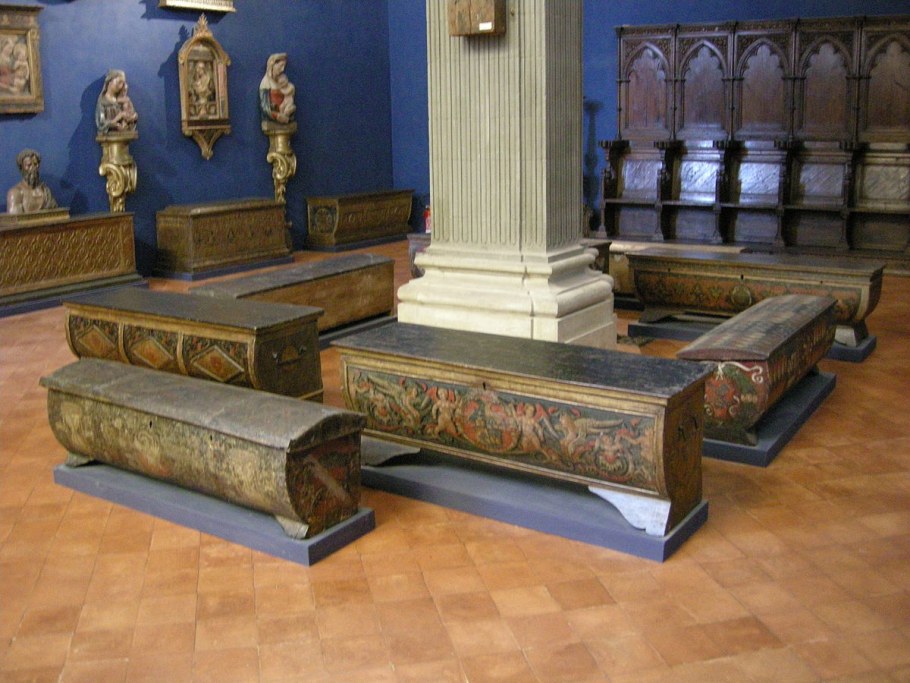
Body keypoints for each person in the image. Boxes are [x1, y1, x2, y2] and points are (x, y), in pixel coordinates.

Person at [6, 149, 58, 214]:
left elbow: (55, 215)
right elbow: (15, 218)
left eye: (35, 164)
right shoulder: (15, 193)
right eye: (29, 165)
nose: (33, 168)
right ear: (21, 168)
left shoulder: (45, 192)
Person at [95, 69, 138, 134]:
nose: (121, 86)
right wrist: (115, 125)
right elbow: (101, 120)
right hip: (109, 136)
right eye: (119, 82)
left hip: (124, 133)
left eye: (122, 83)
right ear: (109, 81)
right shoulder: (102, 101)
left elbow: (132, 113)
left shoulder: (124, 100)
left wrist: (133, 117)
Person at [259, 53, 295, 125]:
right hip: (274, 118)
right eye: (281, 66)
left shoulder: (284, 81)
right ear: (272, 65)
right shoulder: (265, 84)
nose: (282, 69)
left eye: (284, 66)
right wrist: (277, 116)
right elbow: (265, 107)